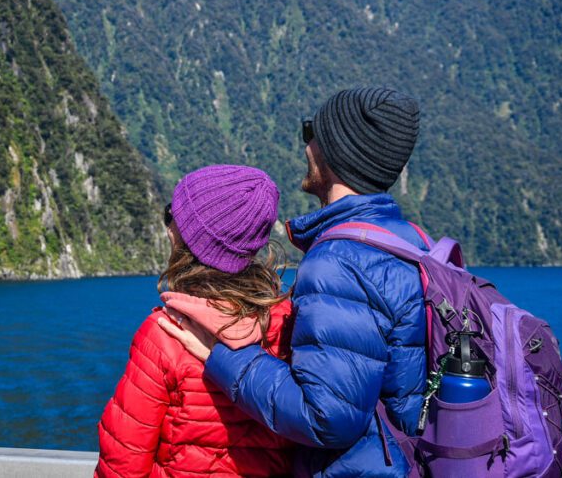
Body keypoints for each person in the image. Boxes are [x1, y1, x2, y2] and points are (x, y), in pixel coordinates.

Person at [160, 87, 427, 477]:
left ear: (335, 150)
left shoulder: (339, 264)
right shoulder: (409, 240)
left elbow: (328, 418)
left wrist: (227, 354)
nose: (306, 146)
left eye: (310, 132)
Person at [95, 165, 295, 478]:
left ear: (190, 238)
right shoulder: (287, 325)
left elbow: (124, 461)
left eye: (171, 215)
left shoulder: (165, 333)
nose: (167, 227)